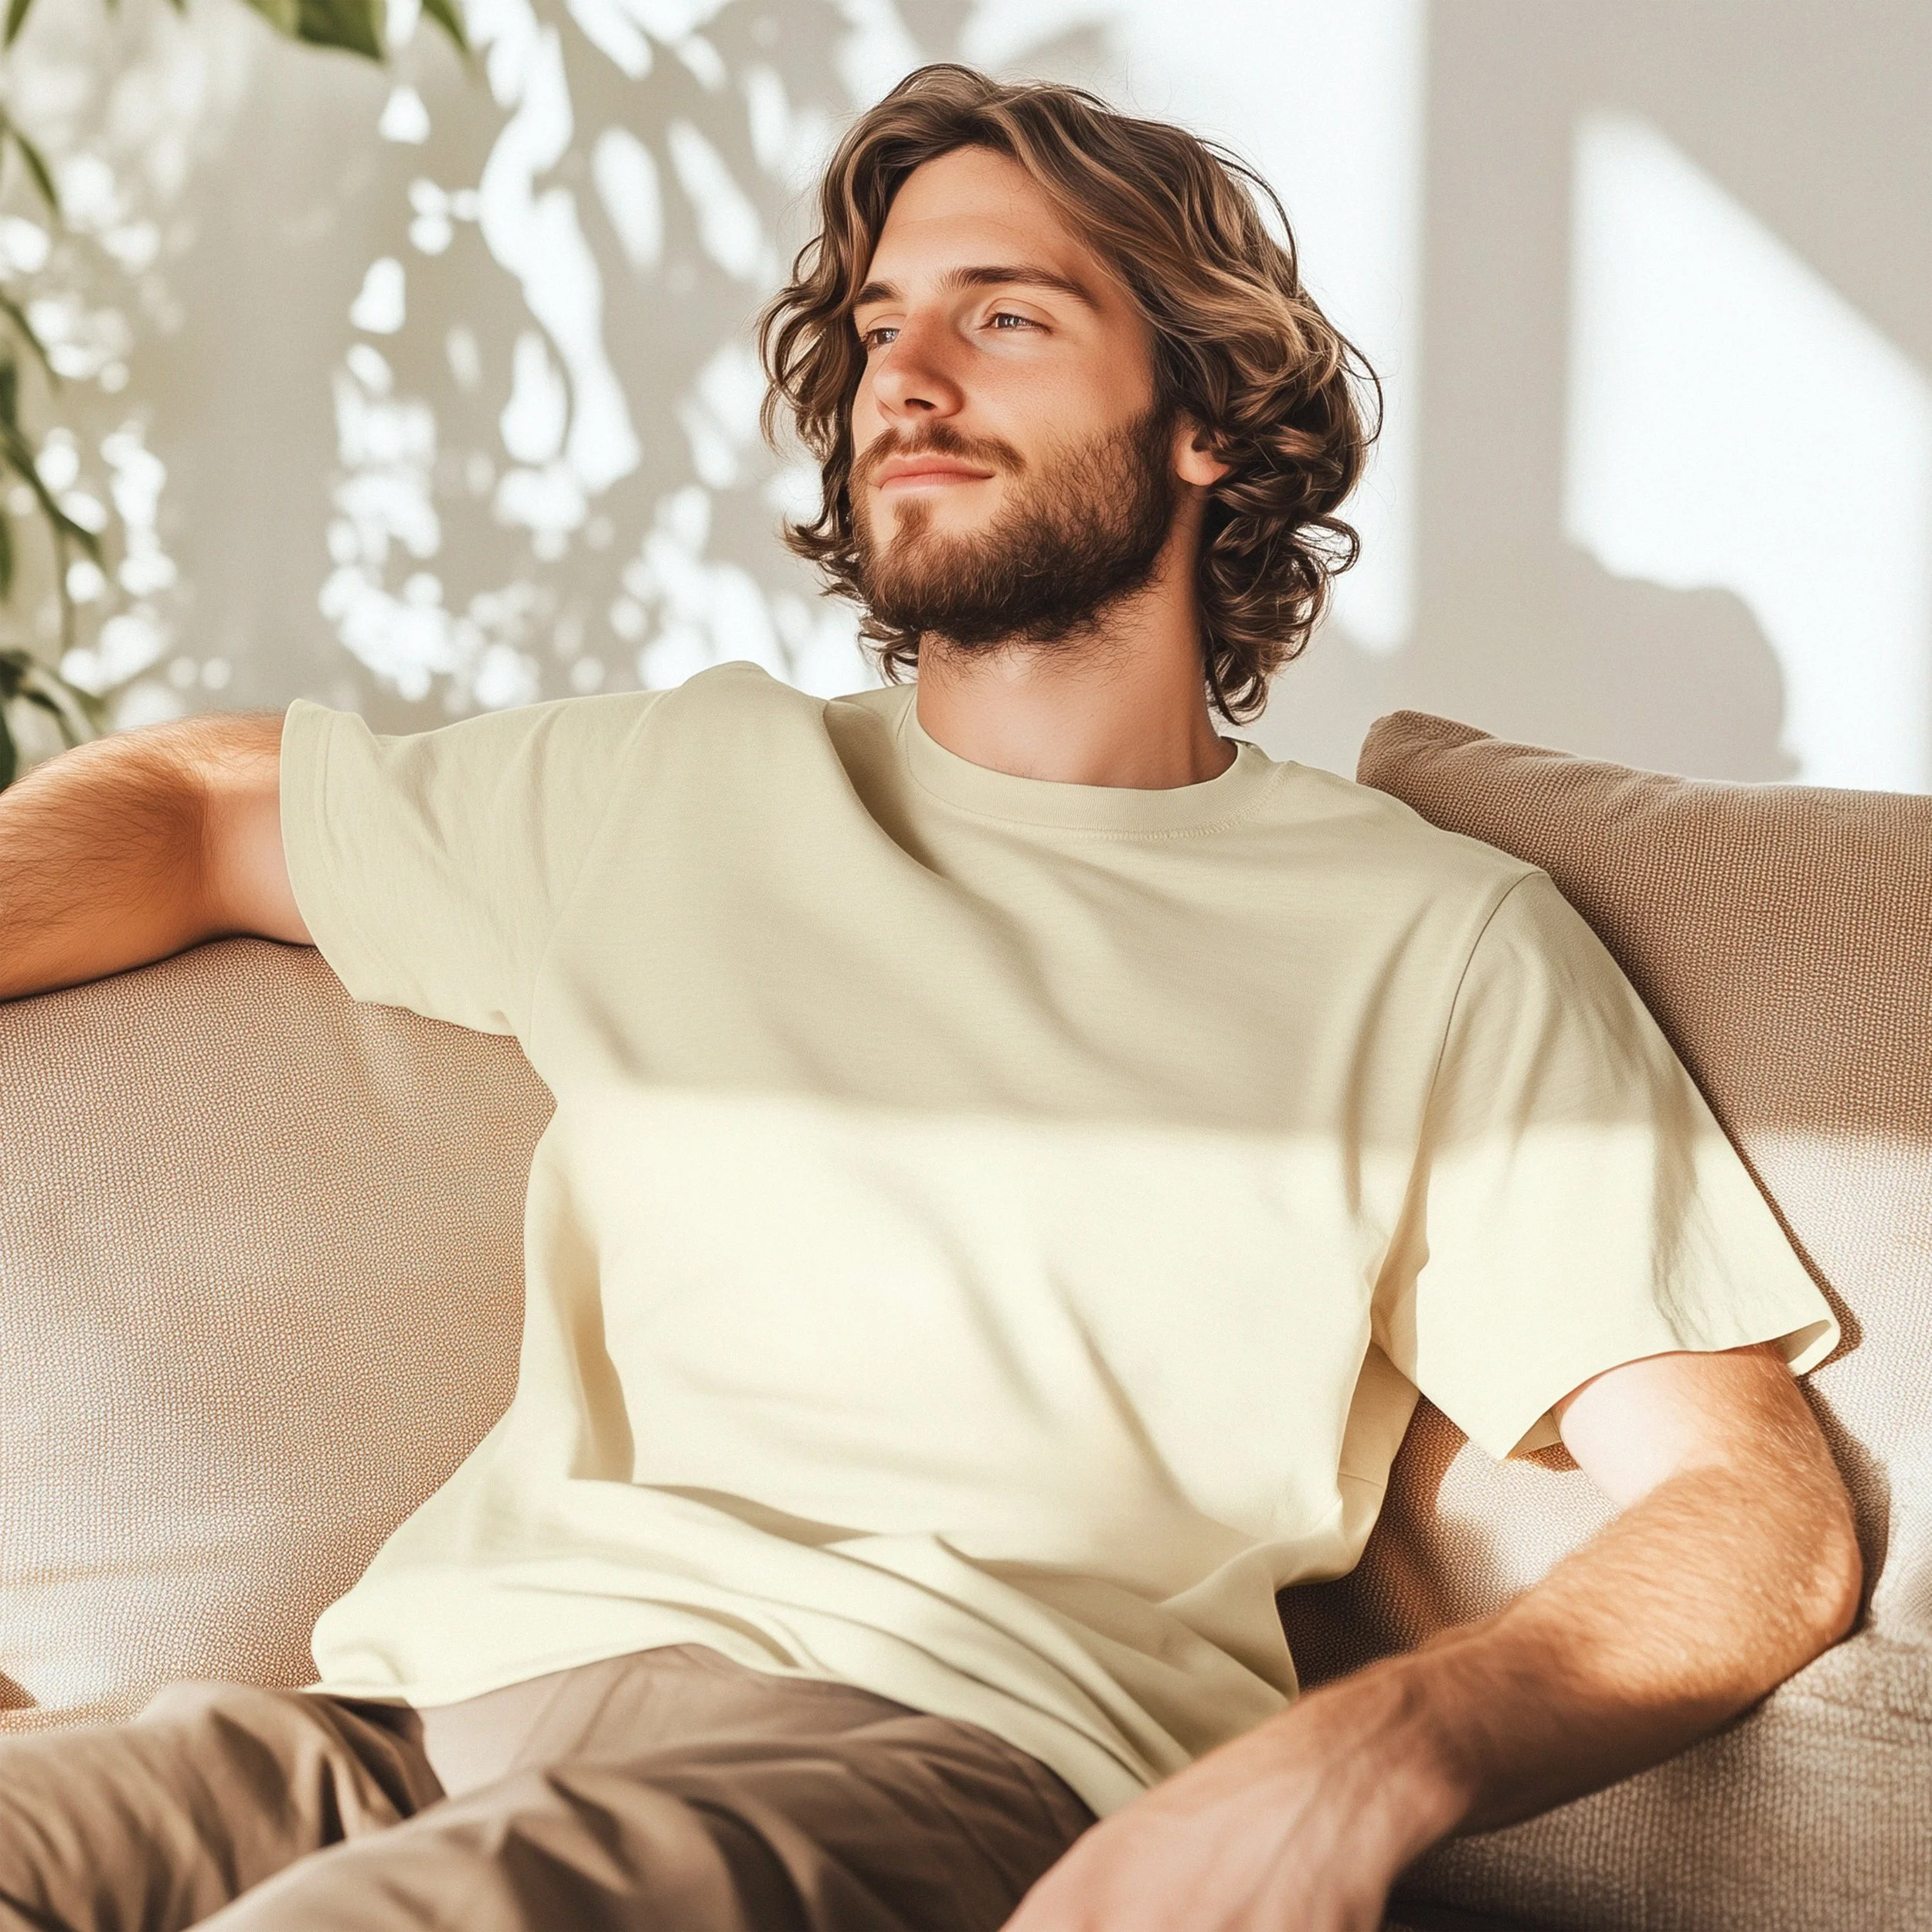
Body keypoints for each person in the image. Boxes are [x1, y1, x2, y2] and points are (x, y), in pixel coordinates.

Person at [0, 63, 1858, 1932]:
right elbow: (195, 809)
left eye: (1004, 317)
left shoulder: (1429, 942)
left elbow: (1749, 1512)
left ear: (1206, 419)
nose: (904, 375)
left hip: (933, 1759)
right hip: (399, 1720)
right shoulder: (676, 782)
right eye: (883, 324)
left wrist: (1361, 1759)